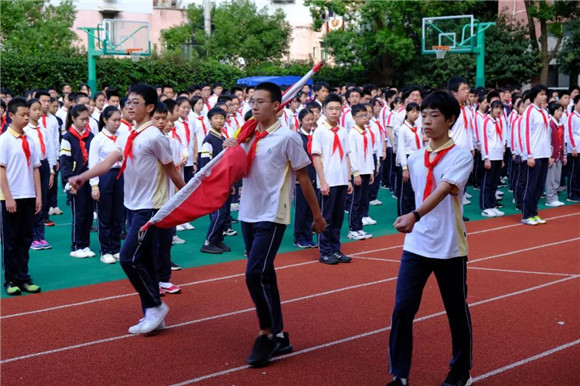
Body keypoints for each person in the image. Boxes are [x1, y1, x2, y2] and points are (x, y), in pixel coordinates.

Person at [223, 82, 325, 367]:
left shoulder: (288, 138)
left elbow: (304, 178)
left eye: (260, 102)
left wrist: (317, 216)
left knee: (253, 274)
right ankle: (280, 335)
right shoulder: (246, 135)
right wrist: (231, 148)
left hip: (272, 214)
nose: (254, 106)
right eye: (252, 102)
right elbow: (235, 170)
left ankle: (266, 334)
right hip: (248, 213)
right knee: (266, 274)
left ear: (276, 105)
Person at [69, 84, 185, 334]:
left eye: (135, 103)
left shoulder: (156, 137)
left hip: (151, 209)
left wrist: (187, 194)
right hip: (133, 207)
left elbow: (172, 170)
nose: (129, 106)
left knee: (128, 257)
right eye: (128, 102)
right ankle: (153, 315)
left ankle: (155, 306)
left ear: (150, 107)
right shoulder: (127, 134)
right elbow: (109, 160)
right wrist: (84, 176)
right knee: (145, 261)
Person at [387, 91, 473, 386]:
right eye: (423, 115)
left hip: (449, 246)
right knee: (402, 308)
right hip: (417, 245)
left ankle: (461, 370)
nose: (426, 121)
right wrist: (411, 219)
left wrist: (414, 215)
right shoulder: (414, 158)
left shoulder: (461, 156)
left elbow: (445, 189)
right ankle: (399, 375)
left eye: (434, 115)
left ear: (450, 120)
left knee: (456, 310)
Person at [1, 97, 43, 296]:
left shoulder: (30, 140)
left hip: (28, 195)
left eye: (28, 115)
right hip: (11, 197)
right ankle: (10, 279)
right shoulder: (4, 140)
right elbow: (1, 171)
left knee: (26, 239)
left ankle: (24, 277)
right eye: (23, 115)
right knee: (11, 240)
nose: (27, 118)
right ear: (11, 115)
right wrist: (8, 197)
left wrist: (38, 196)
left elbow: (35, 169)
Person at [312, 93, 353, 265]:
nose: (334, 112)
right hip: (328, 180)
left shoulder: (343, 131)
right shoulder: (320, 131)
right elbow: (316, 157)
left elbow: (347, 155)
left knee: (337, 217)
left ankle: (335, 249)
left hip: (342, 179)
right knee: (326, 217)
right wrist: (322, 181)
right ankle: (325, 250)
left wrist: (349, 179)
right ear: (324, 110)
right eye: (331, 109)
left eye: (338, 108)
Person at [89, 106, 124, 264]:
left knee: (118, 214)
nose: (117, 123)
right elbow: (93, 163)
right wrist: (94, 185)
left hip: (119, 175)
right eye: (114, 120)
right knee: (105, 215)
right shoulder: (98, 139)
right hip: (104, 176)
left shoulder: (122, 136)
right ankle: (106, 250)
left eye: (119, 120)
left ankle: (116, 248)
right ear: (105, 120)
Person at [60, 105, 95, 258]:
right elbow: (65, 162)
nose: (85, 122)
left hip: (88, 179)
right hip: (76, 181)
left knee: (88, 214)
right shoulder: (67, 137)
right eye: (82, 119)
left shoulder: (91, 136)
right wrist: (69, 183)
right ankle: (76, 246)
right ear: (73, 119)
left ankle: (85, 244)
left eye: (87, 119)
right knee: (78, 214)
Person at [199, 107, 232, 254]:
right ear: (210, 120)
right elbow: (205, 163)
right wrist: (211, 181)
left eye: (222, 118)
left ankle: (218, 240)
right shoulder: (209, 140)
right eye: (216, 118)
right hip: (214, 182)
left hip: (224, 181)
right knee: (218, 213)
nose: (219, 121)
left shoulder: (223, 138)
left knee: (224, 213)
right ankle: (209, 241)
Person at [24, 98, 54, 250]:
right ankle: (32, 237)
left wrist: (51, 170)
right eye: (34, 109)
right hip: (30, 168)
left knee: (42, 201)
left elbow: (49, 151)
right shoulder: (25, 131)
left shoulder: (44, 130)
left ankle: (40, 236)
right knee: (32, 201)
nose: (38, 112)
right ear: (27, 111)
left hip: (43, 166)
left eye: (39, 109)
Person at [520, 84, 550, 225]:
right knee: (531, 185)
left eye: (545, 94)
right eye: (541, 94)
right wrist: (529, 154)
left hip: (544, 153)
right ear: (535, 96)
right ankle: (526, 215)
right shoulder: (529, 111)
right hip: (534, 153)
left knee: (539, 186)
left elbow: (546, 135)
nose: (544, 97)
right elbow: (525, 133)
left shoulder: (544, 112)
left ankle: (534, 212)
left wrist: (549, 154)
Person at [347, 104, 374, 241]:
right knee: (355, 201)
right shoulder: (352, 134)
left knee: (364, 200)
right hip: (357, 171)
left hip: (366, 170)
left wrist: (371, 171)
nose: (365, 118)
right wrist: (355, 172)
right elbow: (351, 154)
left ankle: (359, 227)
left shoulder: (366, 132)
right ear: (353, 118)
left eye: (366, 115)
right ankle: (353, 228)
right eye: (361, 116)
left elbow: (369, 152)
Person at [293, 108, 318, 248]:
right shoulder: (297, 137)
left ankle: (308, 235)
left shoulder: (315, 135)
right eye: (307, 120)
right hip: (301, 179)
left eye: (312, 119)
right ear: (300, 121)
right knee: (301, 209)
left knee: (311, 208)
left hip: (314, 176)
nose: (310, 122)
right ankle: (298, 237)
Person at [479, 100, 506, 217]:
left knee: (495, 182)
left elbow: (501, 139)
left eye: (500, 108)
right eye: (496, 108)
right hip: (489, 155)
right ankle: (485, 206)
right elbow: (483, 140)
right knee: (487, 182)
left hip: (498, 155)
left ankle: (492, 205)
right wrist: (486, 157)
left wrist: (502, 158)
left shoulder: (499, 121)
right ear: (491, 108)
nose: (498, 111)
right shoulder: (485, 121)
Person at [396, 102, 423, 217]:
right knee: (405, 190)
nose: (415, 114)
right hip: (407, 159)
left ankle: (413, 213)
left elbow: (421, 144)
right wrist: (404, 167)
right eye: (412, 111)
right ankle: (403, 214)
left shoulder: (417, 127)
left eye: (417, 111)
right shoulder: (403, 129)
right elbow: (401, 148)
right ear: (407, 112)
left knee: (415, 188)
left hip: (417, 158)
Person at [544, 102, 567, 207]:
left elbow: (562, 140)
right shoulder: (549, 124)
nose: (560, 113)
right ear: (552, 111)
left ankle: (554, 197)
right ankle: (550, 198)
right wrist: (549, 155)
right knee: (550, 178)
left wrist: (564, 154)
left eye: (561, 111)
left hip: (559, 154)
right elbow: (547, 140)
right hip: (552, 155)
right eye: (558, 111)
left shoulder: (561, 125)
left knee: (557, 177)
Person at [566, 94, 580, 202]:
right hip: (575, 149)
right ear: (575, 104)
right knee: (573, 172)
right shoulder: (572, 117)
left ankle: (577, 191)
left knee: (578, 172)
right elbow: (570, 133)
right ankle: (571, 193)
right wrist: (573, 147)